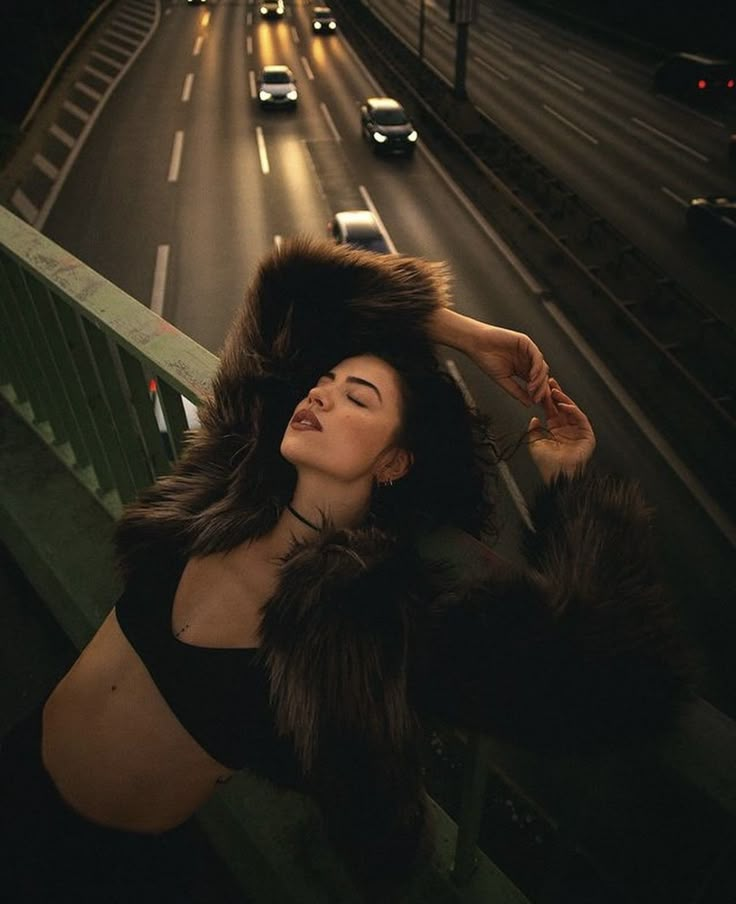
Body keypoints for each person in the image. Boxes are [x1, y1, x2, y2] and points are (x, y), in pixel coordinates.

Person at [1, 238, 691, 902]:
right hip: (17, 758)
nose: (322, 395)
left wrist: (570, 482)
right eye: (324, 382)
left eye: (358, 397)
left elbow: (615, 673)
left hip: (99, 871)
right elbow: (294, 290)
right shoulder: (229, 485)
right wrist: (464, 333)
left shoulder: (365, 617)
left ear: (395, 462)